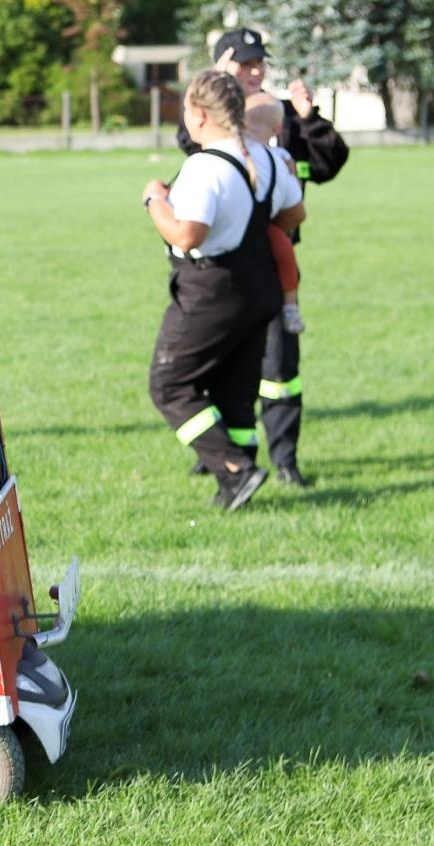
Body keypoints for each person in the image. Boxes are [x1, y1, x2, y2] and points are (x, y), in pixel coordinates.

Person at [178, 28, 350, 487]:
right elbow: (188, 138)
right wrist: (218, 85)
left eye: (259, 64)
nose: (254, 72)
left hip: (273, 259)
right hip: (217, 267)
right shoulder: (212, 117)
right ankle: (221, 455)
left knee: (278, 370)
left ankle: (285, 460)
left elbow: (330, 161)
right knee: (216, 363)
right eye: (244, 64)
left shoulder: (282, 114)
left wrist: (309, 119)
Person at [142, 69, 306, 512]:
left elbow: (186, 236)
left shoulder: (204, 166)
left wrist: (153, 199)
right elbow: (294, 214)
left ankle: (234, 469)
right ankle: (236, 481)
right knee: (236, 392)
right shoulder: (268, 156)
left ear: (198, 113)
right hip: (260, 286)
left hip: (210, 288)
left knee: (169, 385)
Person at [245, 92, 305, 334]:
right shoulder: (276, 157)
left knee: (282, 248)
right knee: (285, 254)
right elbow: (297, 199)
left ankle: (289, 306)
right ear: (278, 128)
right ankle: (290, 305)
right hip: (262, 222)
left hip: (266, 223)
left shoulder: (281, 157)